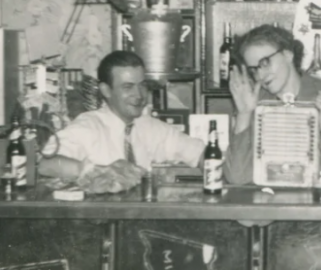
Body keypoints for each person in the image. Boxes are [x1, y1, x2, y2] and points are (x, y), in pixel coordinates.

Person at [40, 51, 205, 181]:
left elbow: (200, 153)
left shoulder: (150, 127)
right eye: (128, 87)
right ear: (106, 90)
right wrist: (92, 170)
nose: (139, 95)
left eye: (142, 86)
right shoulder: (88, 126)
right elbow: (46, 164)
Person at [224, 24, 321, 185]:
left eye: (265, 63)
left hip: (318, 206)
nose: (261, 75)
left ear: (288, 55)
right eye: (254, 69)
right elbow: (237, 178)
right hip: (267, 206)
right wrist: (244, 114)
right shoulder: (253, 103)